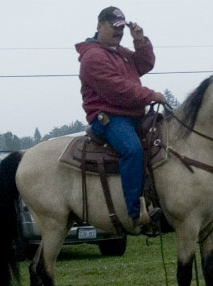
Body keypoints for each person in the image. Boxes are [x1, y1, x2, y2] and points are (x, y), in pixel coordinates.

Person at [75, 6, 165, 234]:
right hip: (110, 117)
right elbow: (118, 90)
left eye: (122, 29)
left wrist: (140, 40)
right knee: (132, 149)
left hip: (133, 115)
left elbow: (144, 65)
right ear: (100, 26)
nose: (119, 33)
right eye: (114, 28)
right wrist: (150, 95)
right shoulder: (93, 57)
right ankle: (135, 214)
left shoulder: (121, 52)